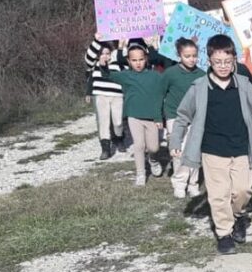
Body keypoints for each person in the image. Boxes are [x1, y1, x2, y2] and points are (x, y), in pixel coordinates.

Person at [169, 35, 252, 255]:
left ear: (234, 61)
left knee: (243, 190)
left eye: (227, 62)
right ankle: (224, 234)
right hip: (212, 150)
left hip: (241, 149)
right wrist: (175, 139)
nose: (222, 66)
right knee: (218, 194)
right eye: (217, 61)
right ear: (209, 60)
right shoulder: (199, 87)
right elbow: (182, 115)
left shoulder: (243, 84)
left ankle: (237, 216)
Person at [104, 42, 166, 186]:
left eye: (141, 59)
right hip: (134, 115)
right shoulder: (125, 75)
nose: (138, 63)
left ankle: (153, 160)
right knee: (138, 145)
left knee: (153, 147)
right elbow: (107, 75)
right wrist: (103, 64)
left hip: (151, 117)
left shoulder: (155, 76)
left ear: (146, 59)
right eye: (134, 60)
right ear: (129, 61)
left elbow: (159, 97)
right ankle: (140, 174)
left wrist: (158, 117)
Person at [161, 38, 206, 198]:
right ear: (179, 55)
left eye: (194, 55)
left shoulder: (202, 74)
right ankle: (179, 183)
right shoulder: (170, 74)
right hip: (175, 116)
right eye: (187, 56)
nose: (191, 59)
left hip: (195, 118)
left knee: (194, 151)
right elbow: (160, 94)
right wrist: (160, 118)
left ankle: (193, 183)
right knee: (178, 151)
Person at [85, 38, 127, 158]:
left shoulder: (117, 63)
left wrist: (122, 46)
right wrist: (96, 41)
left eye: (107, 53)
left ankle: (118, 138)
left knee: (118, 122)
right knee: (103, 121)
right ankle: (105, 149)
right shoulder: (94, 64)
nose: (105, 56)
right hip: (100, 95)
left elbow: (124, 58)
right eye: (102, 53)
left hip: (117, 95)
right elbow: (89, 57)